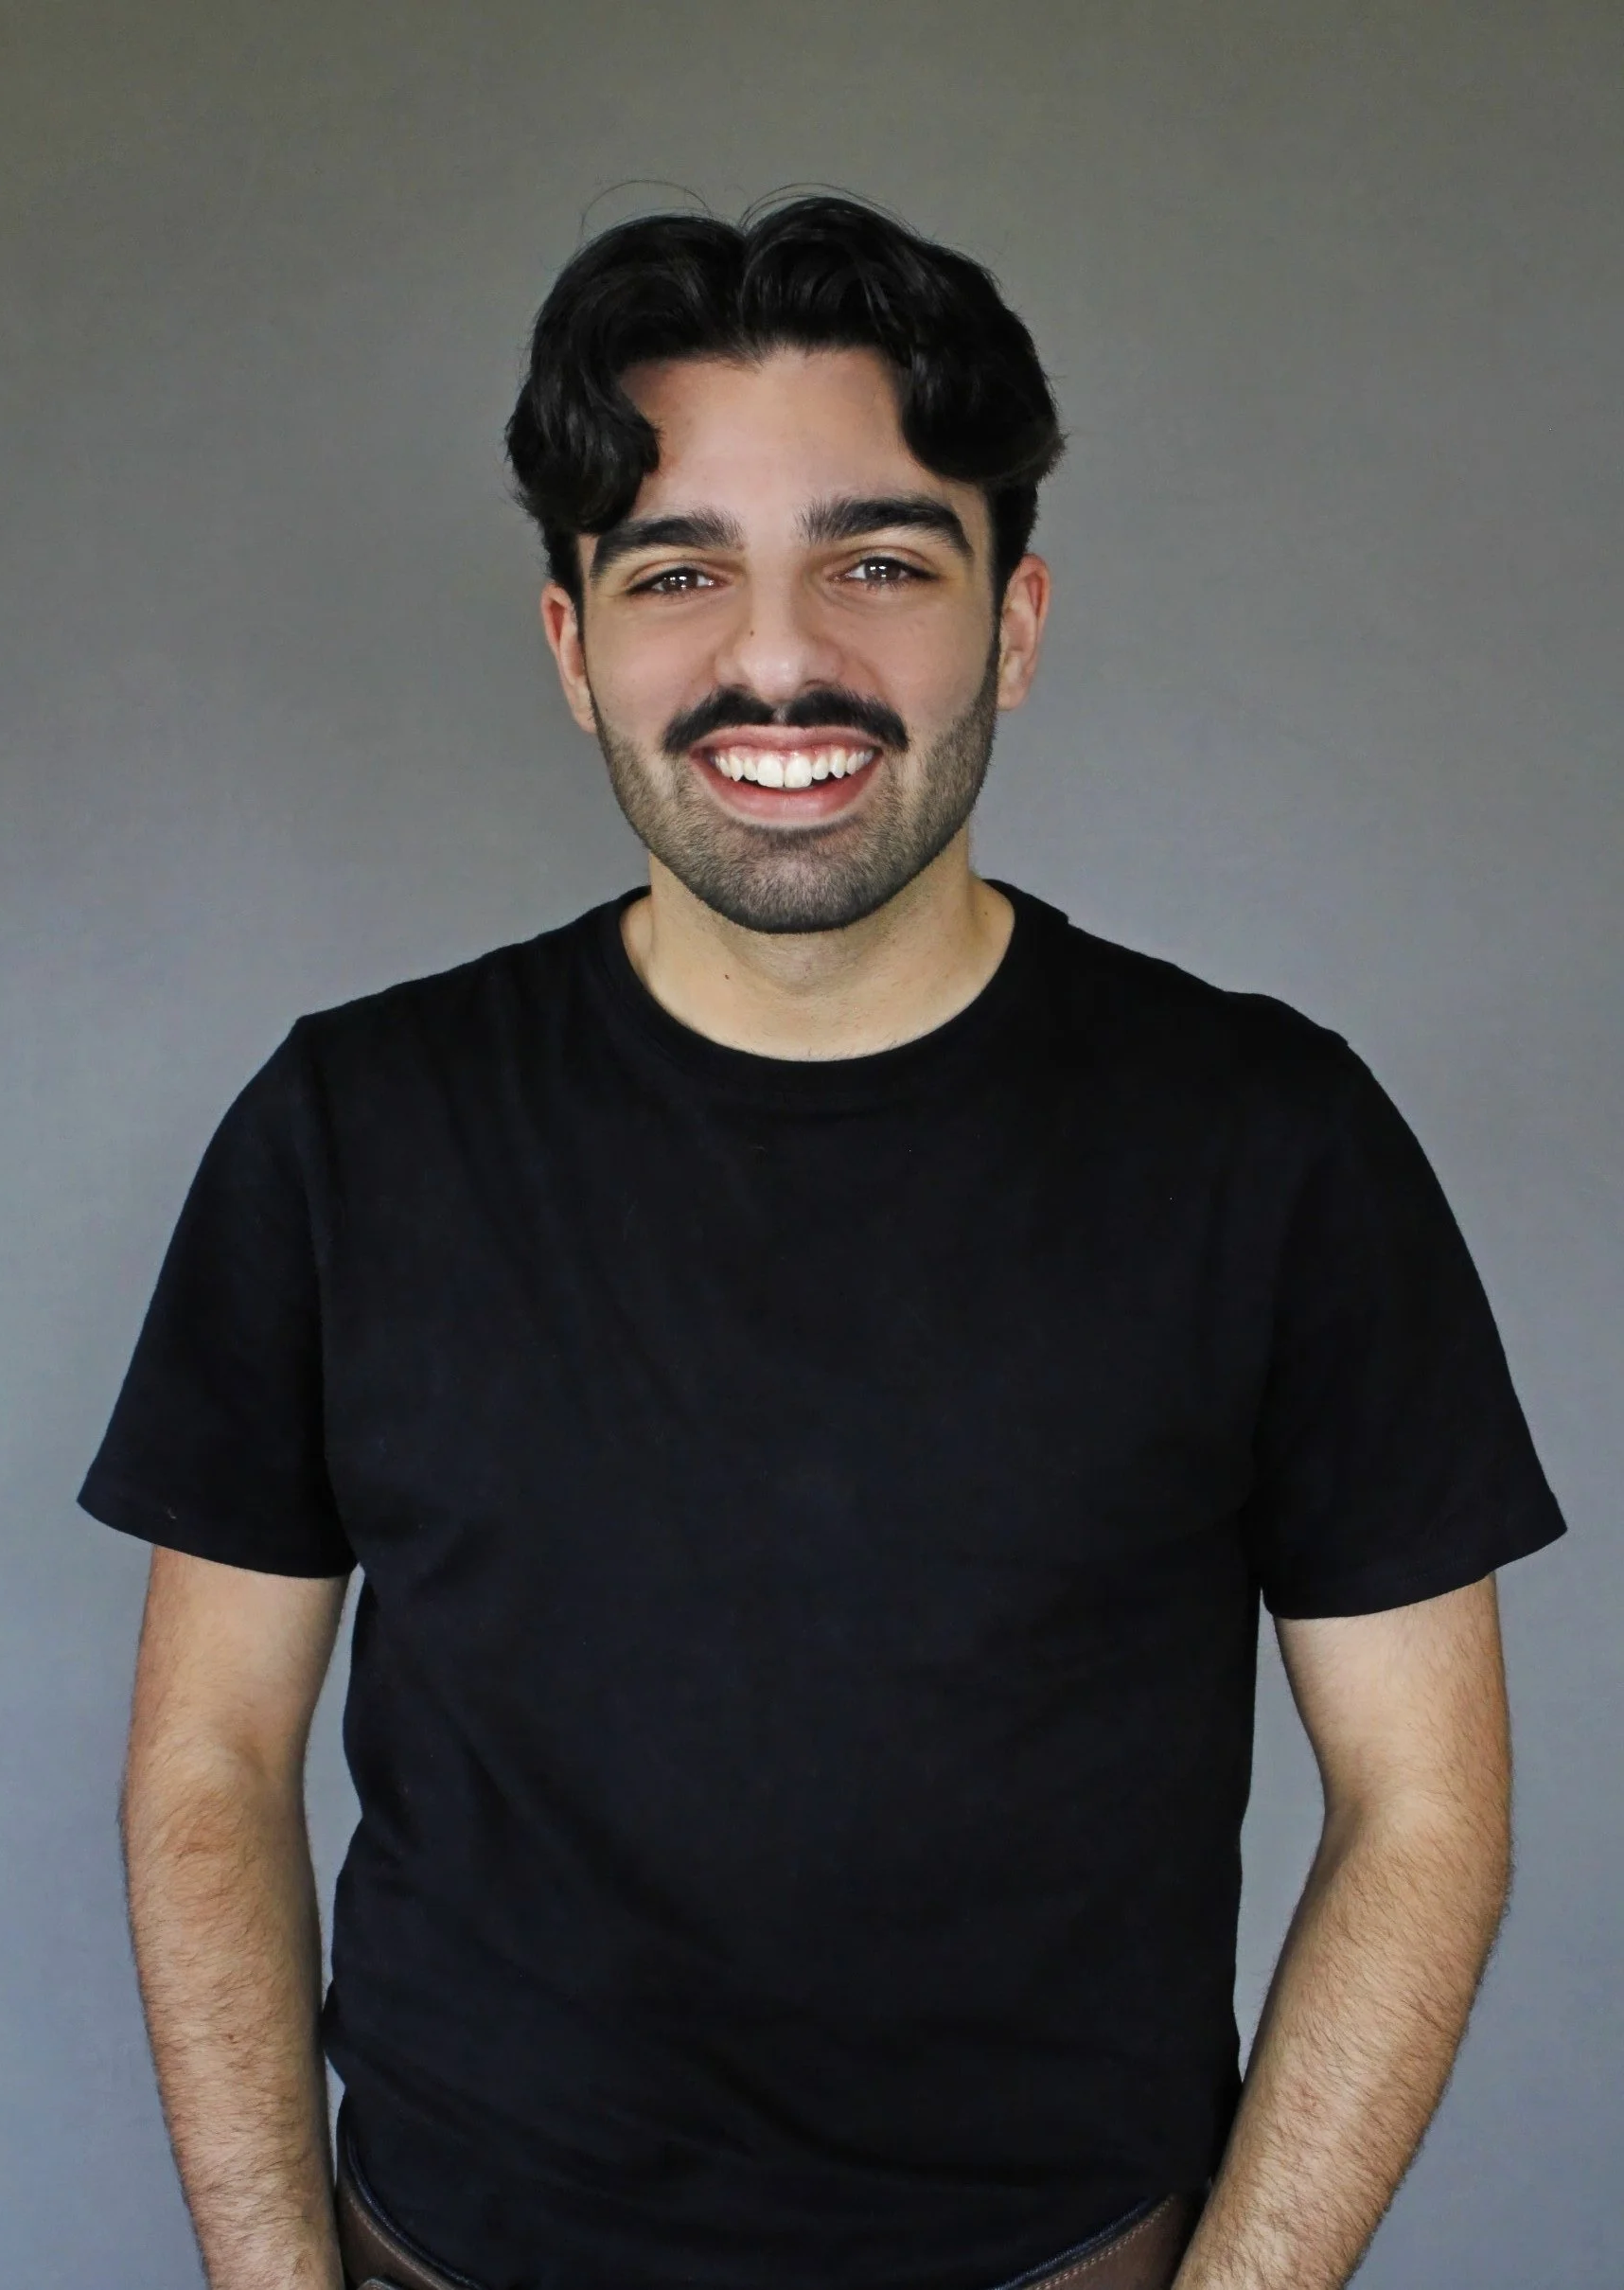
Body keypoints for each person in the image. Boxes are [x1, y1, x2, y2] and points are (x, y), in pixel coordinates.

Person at [82, 197, 1565, 2290]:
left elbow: (1426, 1808)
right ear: (571, 644)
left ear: (1014, 623)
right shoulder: (349, 1128)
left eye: (879, 563)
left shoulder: (1273, 1143)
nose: (778, 663)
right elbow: (207, 1766)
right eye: (679, 572)